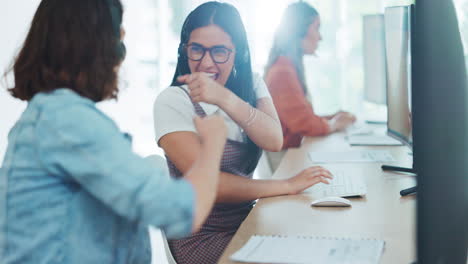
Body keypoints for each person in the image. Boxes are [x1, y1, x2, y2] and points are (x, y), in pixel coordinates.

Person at [0, 0, 227, 263]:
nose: (122, 43)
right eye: (117, 32)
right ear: (96, 46)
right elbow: (180, 211)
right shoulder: (67, 121)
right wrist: (212, 145)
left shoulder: (49, 116)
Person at [153, 2, 333, 263]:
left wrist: (226, 99)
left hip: (247, 222)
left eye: (219, 52)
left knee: (317, 238)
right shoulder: (172, 101)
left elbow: (273, 139)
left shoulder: (252, 84)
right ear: (184, 50)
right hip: (204, 238)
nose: (206, 62)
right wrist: (285, 185)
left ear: (239, 53)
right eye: (197, 50)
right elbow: (210, 184)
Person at [264, 2, 356, 170]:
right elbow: (303, 124)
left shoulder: (287, 65)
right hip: (286, 161)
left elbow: (300, 115)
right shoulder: (283, 71)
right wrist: (334, 123)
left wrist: (331, 117)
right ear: (300, 31)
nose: (320, 37)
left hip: (291, 155)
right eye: (317, 28)